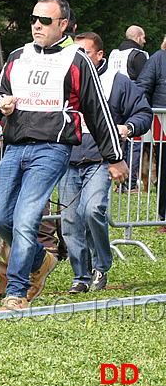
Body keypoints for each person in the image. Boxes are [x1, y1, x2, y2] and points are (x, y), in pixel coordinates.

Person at [0, 0, 128, 311]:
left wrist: (114, 157)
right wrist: (2, 104)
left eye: (45, 20)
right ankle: (41, 260)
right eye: (33, 19)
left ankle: (17, 292)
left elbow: (97, 112)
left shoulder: (77, 60)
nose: (37, 25)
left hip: (52, 149)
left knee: (26, 220)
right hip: (14, 147)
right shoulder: (17, 56)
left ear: (63, 24)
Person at [59, 32, 152, 294]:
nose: (78, 59)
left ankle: (101, 265)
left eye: (85, 53)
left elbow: (143, 112)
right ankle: (81, 275)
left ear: (100, 55)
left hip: (101, 160)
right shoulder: (65, 80)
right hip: (68, 160)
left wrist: (128, 127)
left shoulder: (118, 82)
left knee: (92, 211)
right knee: (69, 219)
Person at [109, 25, 150, 193]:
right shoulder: (139, 55)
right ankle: (130, 183)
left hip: (113, 100)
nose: (145, 41)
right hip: (132, 102)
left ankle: (119, 182)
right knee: (134, 144)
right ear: (137, 37)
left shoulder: (113, 54)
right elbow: (145, 80)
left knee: (118, 142)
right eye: (144, 37)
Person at [136, 34, 166, 233]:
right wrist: (144, 115)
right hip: (163, 123)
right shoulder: (158, 59)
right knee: (164, 171)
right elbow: (142, 88)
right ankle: (164, 217)